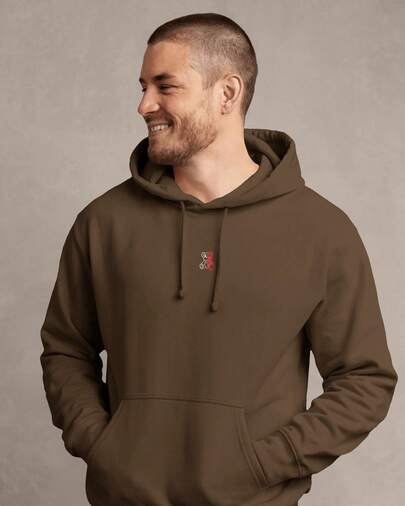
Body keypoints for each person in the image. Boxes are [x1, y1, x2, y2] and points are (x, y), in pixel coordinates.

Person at [39, 12, 398, 506]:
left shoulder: (321, 230)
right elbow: (65, 350)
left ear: (227, 93)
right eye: (143, 87)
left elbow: (365, 379)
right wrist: (102, 446)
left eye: (165, 86)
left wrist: (264, 463)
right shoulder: (103, 222)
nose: (144, 105)